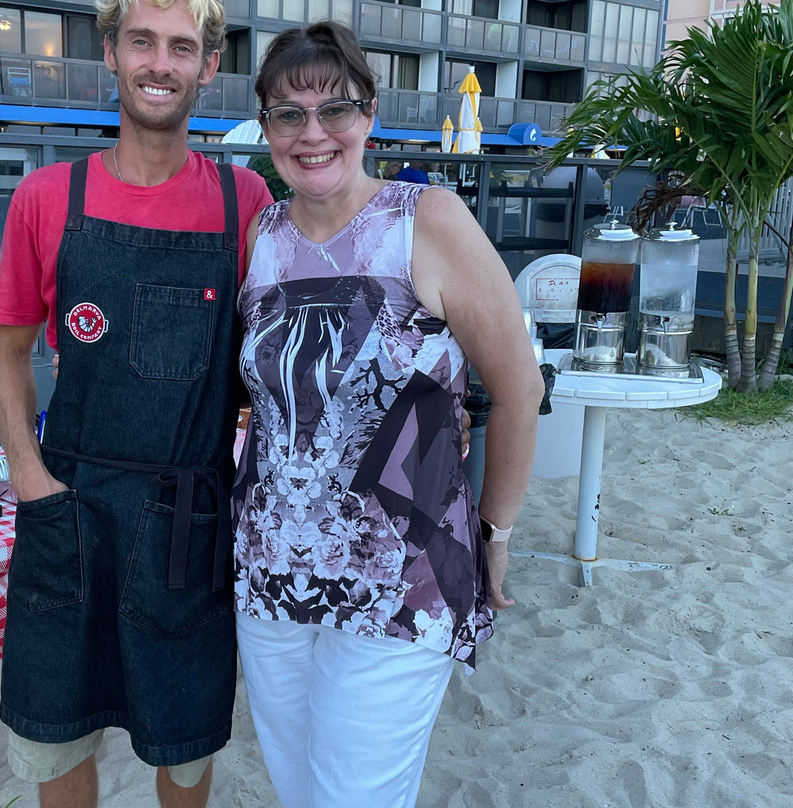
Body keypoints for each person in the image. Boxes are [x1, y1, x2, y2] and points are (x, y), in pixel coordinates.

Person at [232, 22, 545, 808]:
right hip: (270, 577)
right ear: (266, 128)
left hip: (403, 578)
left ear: (369, 114)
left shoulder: (426, 220)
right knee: (299, 789)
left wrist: (497, 532)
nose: (313, 133)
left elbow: (519, 389)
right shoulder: (260, 236)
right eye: (288, 114)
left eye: (334, 109)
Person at [0, 0, 273, 804]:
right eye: (142, 41)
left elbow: (284, 350)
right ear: (110, 51)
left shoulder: (245, 201)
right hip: (68, 511)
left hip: (188, 520)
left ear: (208, 66)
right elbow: (7, 356)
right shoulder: (47, 196)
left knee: (183, 748)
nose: (160, 64)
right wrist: (29, 478)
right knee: (56, 734)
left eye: (181, 47)